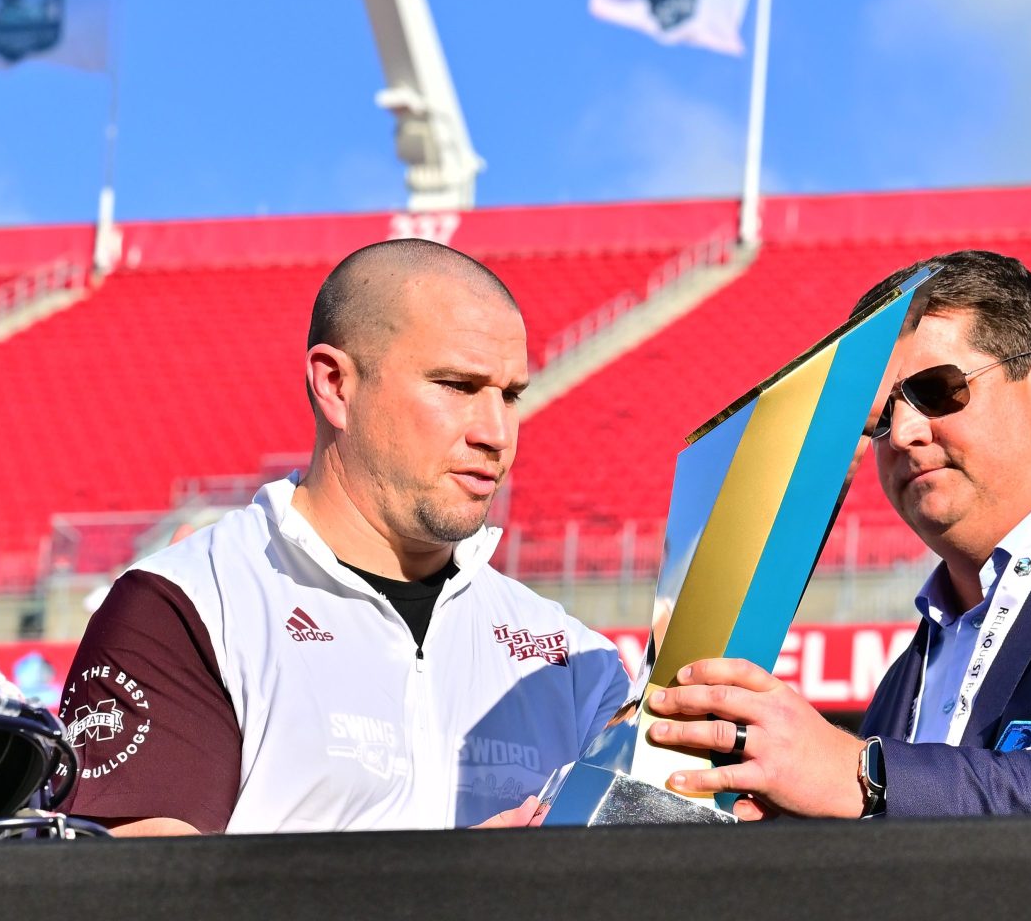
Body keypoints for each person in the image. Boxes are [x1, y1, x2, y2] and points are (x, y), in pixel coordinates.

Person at [56, 239, 630, 835]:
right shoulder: (189, 606)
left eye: (510, 395)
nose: (496, 432)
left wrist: (718, 779)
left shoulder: (572, 657)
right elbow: (139, 897)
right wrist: (455, 889)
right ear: (335, 385)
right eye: (457, 385)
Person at [647, 249, 1031, 819]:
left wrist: (864, 776)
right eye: (878, 420)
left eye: (936, 389)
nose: (901, 434)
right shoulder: (905, 677)